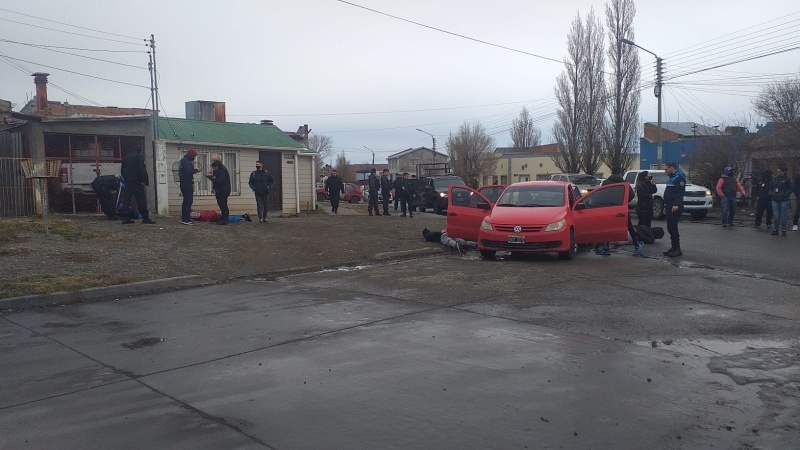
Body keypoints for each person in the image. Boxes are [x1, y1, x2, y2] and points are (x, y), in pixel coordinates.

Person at [598, 166, 642, 255]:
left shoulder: (606, 182)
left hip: (608, 208)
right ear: (620, 173)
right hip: (621, 208)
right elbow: (632, 194)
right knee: (629, 226)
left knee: (607, 227)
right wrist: (624, 202)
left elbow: (601, 194)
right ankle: (637, 245)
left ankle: (606, 248)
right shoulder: (624, 183)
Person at [120, 148, 155, 225]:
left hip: (128, 181)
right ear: (140, 151)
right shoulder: (139, 157)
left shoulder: (126, 157)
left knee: (126, 199)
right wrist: (144, 180)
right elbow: (142, 169)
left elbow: (122, 170)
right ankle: (145, 217)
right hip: (137, 181)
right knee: (141, 199)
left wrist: (126, 178)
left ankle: (125, 217)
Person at [663, 162, 686, 256]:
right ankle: (673, 247)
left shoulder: (679, 178)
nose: (665, 171)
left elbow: (680, 193)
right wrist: (665, 206)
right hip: (669, 205)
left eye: (666, 169)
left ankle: (677, 249)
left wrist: (676, 204)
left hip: (675, 206)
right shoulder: (672, 178)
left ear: (671, 168)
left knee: (673, 227)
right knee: (670, 227)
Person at [178, 149, 201, 225]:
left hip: (183, 182)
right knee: (188, 201)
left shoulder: (182, 160)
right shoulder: (186, 161)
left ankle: (185, 217)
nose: (194, 158)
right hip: (186, 183)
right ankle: (186, 219)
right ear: (191, 155)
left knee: (186, 201)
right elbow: (189, 171)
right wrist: (197, 170)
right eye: (194, 156)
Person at [770, 167, 793, 236]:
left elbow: (791, 188)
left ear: (783, 172)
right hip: (775, 199)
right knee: (776, 215)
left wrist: (785, 194)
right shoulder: (774, 179)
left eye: (779, 171)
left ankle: (784, 230)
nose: (778, 173)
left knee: (783, 215)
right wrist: (771, 193)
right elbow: (771, 187)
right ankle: (775, 229)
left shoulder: (788, 179)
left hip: (784, 200)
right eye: (777, 171)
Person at [208, 160, 231, 225]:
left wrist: (214, 179)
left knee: (223, 205)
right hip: (219, 190)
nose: (213, 169)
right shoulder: (217, 171)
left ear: (217, 166)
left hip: (223, 190)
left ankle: (225, 219)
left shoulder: (222, 171)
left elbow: (220, 181)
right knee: (221, 204)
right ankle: (223, 217)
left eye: (214, 167)